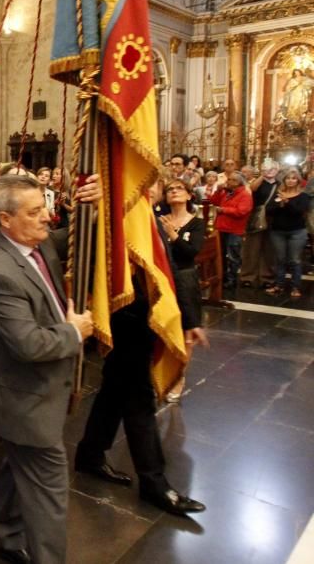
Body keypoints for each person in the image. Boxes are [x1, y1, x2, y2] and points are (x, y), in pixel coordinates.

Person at [0, 174, 94, 564]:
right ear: (6, 220)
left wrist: (94, 203)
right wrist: (74, 333)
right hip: (26, 399)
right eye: (35, 211)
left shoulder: (35, 245)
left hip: (38, 393)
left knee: (17, 463)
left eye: (45, 206)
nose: (47, 217)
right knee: (48, 493)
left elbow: (74, 234)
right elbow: (28, 344)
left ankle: (5, 536)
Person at [75, 176, 207, 520]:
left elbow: (170, 271)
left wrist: (190, 319)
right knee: (138, 399)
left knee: (114, 392)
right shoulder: (110, 215)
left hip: (149, 317)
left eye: (153, 184)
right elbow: (88, 251)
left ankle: (90, 454)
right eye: (140, 180)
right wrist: (97, 206)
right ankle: (154, 483)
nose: (147, 189)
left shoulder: (151, 220)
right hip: (124, 317)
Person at [158, 178, 207, 402]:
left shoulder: (196, 223)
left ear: (189, 195)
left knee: (186, 330)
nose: (174, 192)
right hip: (164, 276)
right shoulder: (159, 219)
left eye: (179, 189)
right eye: (170, 189)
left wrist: (174, 235)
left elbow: (191, 253)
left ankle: (179, 378)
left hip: (185, 277)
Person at [265, 167, 310, 298]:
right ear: (284, 180)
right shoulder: (278, 193)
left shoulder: (303, 196)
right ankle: (279, 285)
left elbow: (299, 211)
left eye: (293, 178)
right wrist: (280, 204)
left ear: (298, 181)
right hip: (278, 231)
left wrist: (287, 202)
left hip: (297, 231)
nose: (290, 181)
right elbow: (269, 211)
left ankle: (296, 287)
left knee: (295, 260)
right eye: (288, 178)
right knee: (280, 259)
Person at [210, 171, 254, 289]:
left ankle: (232, 280)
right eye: (229, 179)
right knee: (220, 255)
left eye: (233, 180)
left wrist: (223, 210)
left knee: (233, 256)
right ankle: (222, 277)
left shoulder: (245, 195)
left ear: (239, 182)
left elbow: (242, 211)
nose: (228, 182)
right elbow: (213, 201)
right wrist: (218, 190)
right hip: (221, 228)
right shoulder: (226, 192)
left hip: (234, 230)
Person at [240, 160, 279, 288]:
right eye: (267, 168)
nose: (270, 171)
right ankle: (248, 276)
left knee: (269, 251)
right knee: (251, 249)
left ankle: (267, 277)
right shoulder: (258, 183)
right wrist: (263, 175)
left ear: (277, 170)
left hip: (273, 220)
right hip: (257, 219)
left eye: (273, 168)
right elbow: (251, 189)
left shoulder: (280, 184)